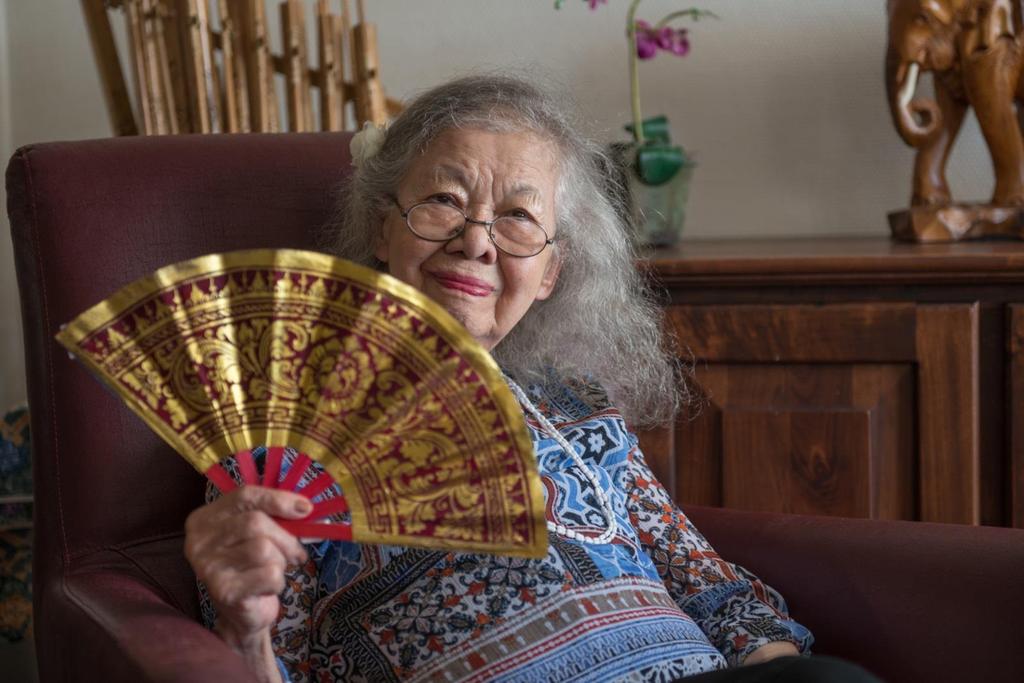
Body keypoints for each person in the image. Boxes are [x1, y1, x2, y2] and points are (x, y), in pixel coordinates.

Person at [184, 75, 877, 683]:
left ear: (548, 274)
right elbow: (276, 659)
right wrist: (245, 629)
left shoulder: (578, 412)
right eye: (445, 201)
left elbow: (721, 599)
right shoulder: (281, 440)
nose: (478, 239)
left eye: (518, 216)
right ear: (380, 227)